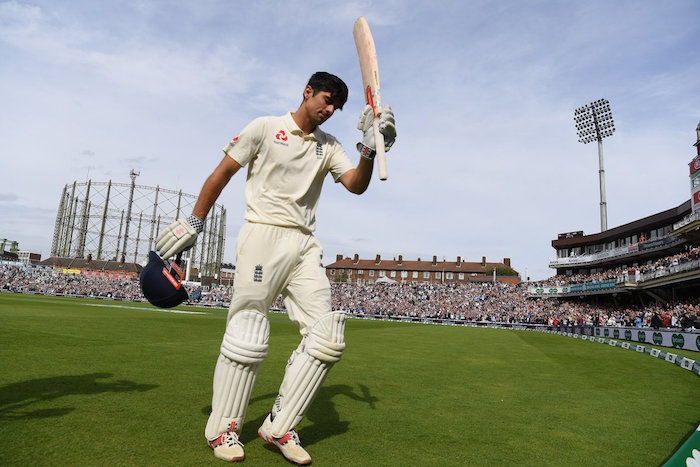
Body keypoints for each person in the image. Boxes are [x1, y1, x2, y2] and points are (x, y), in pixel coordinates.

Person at [155, 71, 396, 464]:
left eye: (336, 106)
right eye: (327, 100)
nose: (330, 109)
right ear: (307, 92)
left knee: (327, 338)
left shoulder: (329, 146)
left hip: (304, 244)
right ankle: (223, 430)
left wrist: (371, 148)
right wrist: (195, 222)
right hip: (263, 234)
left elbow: (355, 184)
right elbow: (222, 173)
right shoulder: (265, 128)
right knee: (248, 331)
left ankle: (279, 426)